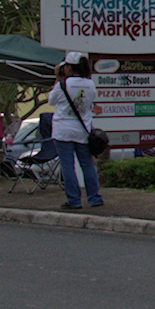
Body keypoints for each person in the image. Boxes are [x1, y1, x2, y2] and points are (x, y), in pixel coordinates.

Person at [48, 52, 104, 210]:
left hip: (63, 129)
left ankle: (74, 200)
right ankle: (94, 197)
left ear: (68, 68)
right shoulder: (90, 84)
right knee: (87, 165)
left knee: (67, 165)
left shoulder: (63, 85)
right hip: (82, 130)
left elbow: (51, 101)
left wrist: (58, 79)